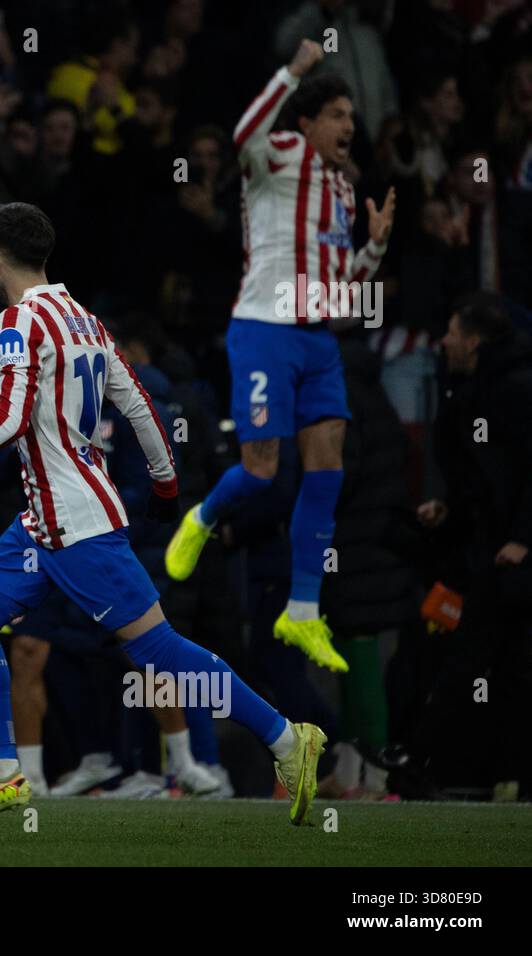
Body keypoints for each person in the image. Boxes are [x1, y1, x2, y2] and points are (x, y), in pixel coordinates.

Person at [0, 202, 326, 829]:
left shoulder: (17, 321)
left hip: (75, 524)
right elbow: (138, 402)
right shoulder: (85, 320)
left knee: (157, 647)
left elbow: (10, 419)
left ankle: (288, 739)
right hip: (41, 523)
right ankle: (3, 772)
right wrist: (166, 483)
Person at [164, 40, 396, 673]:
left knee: (328, 468)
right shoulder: (280, 156)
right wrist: (294, 70)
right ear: (308, 122)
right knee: (262, 470)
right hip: (263, 329)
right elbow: (243, 133)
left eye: (353, 117)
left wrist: (372, 251)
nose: (350, 127)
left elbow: (341, 288)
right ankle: (203, 516)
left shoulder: (344, 194)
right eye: (339, 115)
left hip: (318, 339)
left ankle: (301, 610)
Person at [417, 292, 532, 800]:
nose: (444, 340)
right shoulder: (466, 392)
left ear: (476, 341)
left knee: (501, 663)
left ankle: (432, 768)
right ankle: (477, 773)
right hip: (485, 550)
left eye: (453, 331)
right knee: (486, 662)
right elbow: (478, 478)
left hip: (513, 557)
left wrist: (524, 538)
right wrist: (449, 509)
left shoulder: (514, 390)